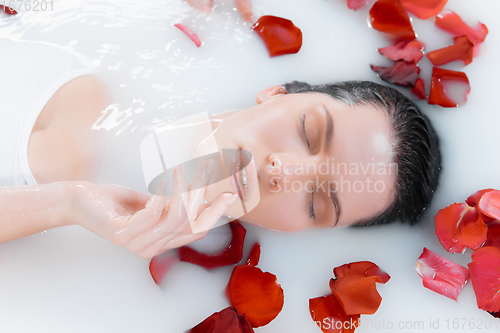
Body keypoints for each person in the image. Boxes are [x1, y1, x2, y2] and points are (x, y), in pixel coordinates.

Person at [0, 38, 441, 260]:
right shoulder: (80, 115)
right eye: (307, 132)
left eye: (317, 202)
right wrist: (66, 199)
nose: (283, 171)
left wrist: (73, 205)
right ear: (278, 93)